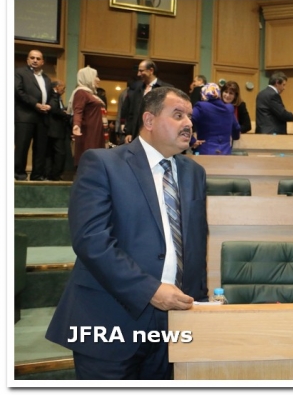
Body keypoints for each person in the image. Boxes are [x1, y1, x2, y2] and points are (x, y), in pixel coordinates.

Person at [46, 86, 209, 379]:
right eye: (178, 115)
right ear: (149, 120)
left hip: (173, 327)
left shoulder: (194, 172)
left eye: (190, 117)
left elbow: (196, 243)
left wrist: (200, 302)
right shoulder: (102, 163)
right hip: (108, 320)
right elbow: (92, 241)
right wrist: (150, 290)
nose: (188, 123)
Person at [15, 49, 53, 181]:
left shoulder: (46, 78)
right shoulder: (19, 72)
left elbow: (51, 96)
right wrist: (35, 104)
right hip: (25, 116)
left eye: (38, 58)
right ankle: (19, 174)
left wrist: (49, 105)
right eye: (32, 58)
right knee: (22, 147)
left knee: (40, 149)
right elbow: (18, 91)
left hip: (43, 117)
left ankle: (37, 175)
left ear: (42, 62)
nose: (35, 60)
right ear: (27, 60)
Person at [124, 59, 173, 143]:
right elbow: (131, 111)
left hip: (156, 134)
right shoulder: (136, 88)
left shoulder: (166, 89)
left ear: (151, 70)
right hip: (137, 134)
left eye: (141, 71)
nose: (138, 74)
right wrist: (129, 132)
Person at [68, 66, 106, 168]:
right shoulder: (81, 92)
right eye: (96, 77)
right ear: (88, 78)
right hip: (88, 133)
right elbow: (78, 110)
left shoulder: (90, 94)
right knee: (89, 159)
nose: (98, 80)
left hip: (95, 131)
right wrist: (76, 125)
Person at [191, 83, 240, 155]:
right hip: (225, 152)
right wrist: (235, 137)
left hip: (205, 151)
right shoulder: (229, 108)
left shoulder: (200, 107)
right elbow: (236, 128)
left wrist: (192, 141)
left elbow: (186, 123)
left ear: (203, 94)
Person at [45, 80, 71, 181]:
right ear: (56, 87)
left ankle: (51, 174)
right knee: (59, 153)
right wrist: (65, 114)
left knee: (52, 153)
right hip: (55, 130)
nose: (64, 90)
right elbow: (54, 109)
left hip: (54, 130)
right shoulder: (53, 97)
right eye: (63, 87)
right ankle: (55, 174)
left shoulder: (57, 97)